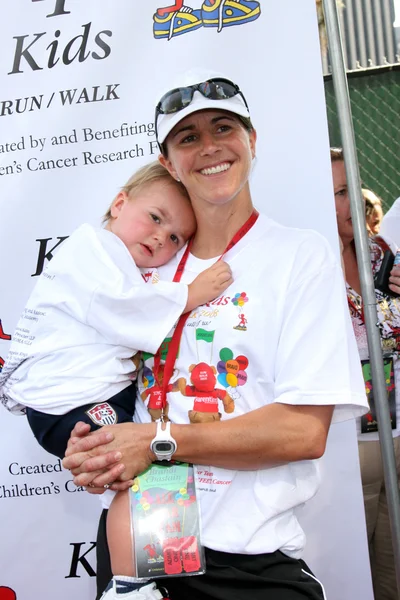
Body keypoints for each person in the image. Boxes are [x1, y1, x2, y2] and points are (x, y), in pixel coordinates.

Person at [63, 72, 368, 600]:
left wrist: (158, 444)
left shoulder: (299, 255)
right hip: (144, 546)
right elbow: (88, 376)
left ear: (252, 141)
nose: (209, 147)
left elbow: (302, 433)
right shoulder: (143, 262)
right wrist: (92, 442)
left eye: (223, 127)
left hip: (250, 558)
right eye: (188, 137)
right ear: (167, 161)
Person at [0, 160, 233, 600]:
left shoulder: (117, 260)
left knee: (159, 450)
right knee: (144, 458)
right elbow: (122, 308)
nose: (159, 238)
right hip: (71, 400)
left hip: (92, 392)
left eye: (175, 238)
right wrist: (191, 293)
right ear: (119, 203)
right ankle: (130, 586)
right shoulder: (92, 248)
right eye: (156, 218)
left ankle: (165, 571)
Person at [331, 148, 400, 600]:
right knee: (351, 576)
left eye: (353, 186)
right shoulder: (306, 267)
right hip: (340, 450)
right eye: (339, 191)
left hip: (396, 437)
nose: (353, 198)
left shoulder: (380, 252)